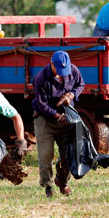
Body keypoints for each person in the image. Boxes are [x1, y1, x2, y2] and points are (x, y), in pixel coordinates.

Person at [32, 51, 85, 197]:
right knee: (45, 155)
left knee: (69, 152)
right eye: (59, 71)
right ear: (52, 64)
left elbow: (81, 84)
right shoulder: (40, 78)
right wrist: (57, 116)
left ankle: (62, 181)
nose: (62, 74)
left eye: (65, 71)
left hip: (67, 118)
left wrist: (72, 94)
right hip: (45, 119)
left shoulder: (73, 70)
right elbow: (42, 105)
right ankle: (47, 185)